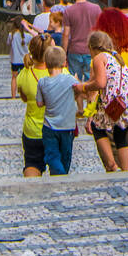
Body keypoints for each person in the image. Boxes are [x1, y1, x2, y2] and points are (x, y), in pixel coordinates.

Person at [81, 30, 128, 173]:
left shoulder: (99, 58)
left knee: (97, 127)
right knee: (120, 131)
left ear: (92, 48)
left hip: (118, 101)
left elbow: (100, 82)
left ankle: (111, 164)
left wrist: (84, 87)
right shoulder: (115, 56)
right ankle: (125, 171)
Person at [94, 8, 128, 170]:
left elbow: (98, 85)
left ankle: (114, 170)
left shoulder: (103, 56)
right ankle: (127, 174)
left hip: (110, 108)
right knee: (126, 143)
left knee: (109, 143)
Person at [35, 46, 87, 175]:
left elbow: (39, 103)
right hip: (67, 127)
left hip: (49, 126)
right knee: (66, 156)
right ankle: (62, 175)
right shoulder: (70, 80)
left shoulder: (42, 82)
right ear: (64, 63)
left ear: (46, 64)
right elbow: (82, 91)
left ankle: (57, 174)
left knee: (52, 155)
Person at [13, 32, 50, 176]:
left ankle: (32, 191)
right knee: (57, 163)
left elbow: (23, 97)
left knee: (32, 163)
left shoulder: (24, 73)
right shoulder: (61, 73)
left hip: (32, 129)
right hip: (54, 127)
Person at [61, 0, 101, 80]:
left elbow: (66, 34)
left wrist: (64, 53)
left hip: (74, 50)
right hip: (91, 49)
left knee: (74, 81)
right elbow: (100, 31)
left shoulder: (68, 11)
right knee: (91, 80)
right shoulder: (96, 9)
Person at [9, 17, 27, 87]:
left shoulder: (11, 35)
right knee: (25, 77)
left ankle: (13, 96)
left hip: (15, 60)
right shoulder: (27, 36)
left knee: (14, 77)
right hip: (24, 60)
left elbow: (8, 43)